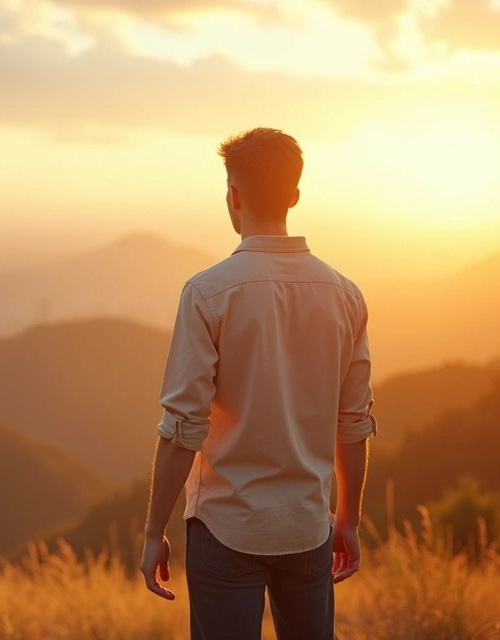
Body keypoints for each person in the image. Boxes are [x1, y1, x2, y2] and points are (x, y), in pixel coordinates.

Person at [139, 127, 377, 639]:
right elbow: (353, 423)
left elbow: (183, 427)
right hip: (308, 526)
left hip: (226, 526)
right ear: (294, 195)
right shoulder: (346, 295)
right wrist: (349, 520)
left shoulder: (207, 293)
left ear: (233, 195)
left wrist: (155, 530)